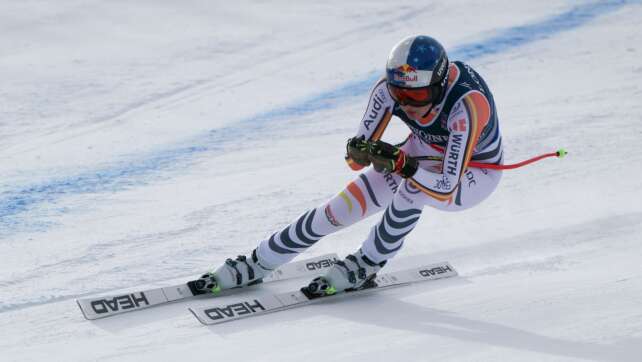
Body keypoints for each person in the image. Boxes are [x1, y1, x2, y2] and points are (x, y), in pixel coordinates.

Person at [198, 35, 503, 296]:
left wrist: (405, 165)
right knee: (337, 210)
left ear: (437, 85)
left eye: (417, 94)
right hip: (423, 151)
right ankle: (259, 261)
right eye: (400, 93)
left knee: (412, 190)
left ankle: (368, 262)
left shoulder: (467, 105)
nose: (406, 102)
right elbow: (355, 161)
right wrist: (360, 152)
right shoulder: (387, 90)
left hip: (476, 173)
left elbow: (448, 183)